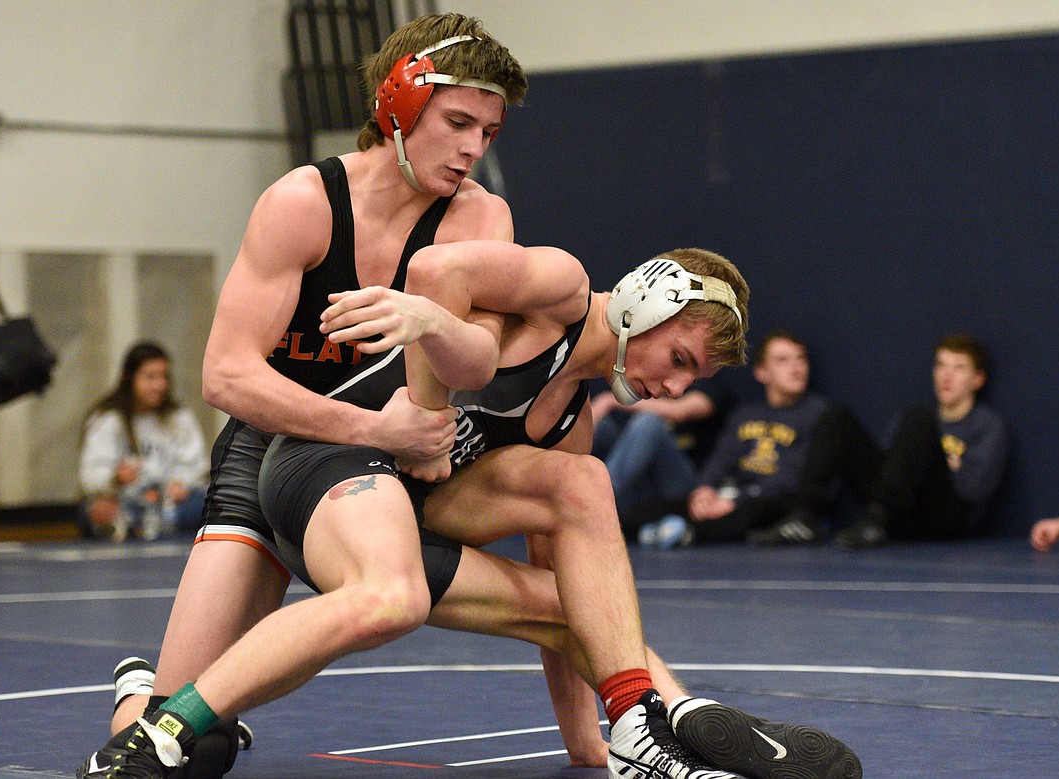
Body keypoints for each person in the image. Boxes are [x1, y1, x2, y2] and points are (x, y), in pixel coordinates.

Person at [77, 16, 858, 779]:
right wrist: (397, 420)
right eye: (456, 122)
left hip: (399, 467)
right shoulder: (305, 203)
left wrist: (582, 740)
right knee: (187, 735)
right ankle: (147, 694)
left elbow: (482, 373)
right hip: (284, 442)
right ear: (399, 107)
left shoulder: (484, 218)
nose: (473, 148)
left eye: (489, 132)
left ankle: (658, 724)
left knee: (553, 549)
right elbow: (225, 377)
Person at [633, 330, 879, 547]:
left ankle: (685, 534)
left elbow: (795, 477)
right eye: (783, 360)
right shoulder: (745, 414)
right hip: (734, 494)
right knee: (661, 507)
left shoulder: (819, 414)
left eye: (801, 359)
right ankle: (631, 528)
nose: (796, 367)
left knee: (754, 510)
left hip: (774, 501)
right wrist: (704, 490)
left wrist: (737, 501)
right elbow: (722, 457)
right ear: (762, 372)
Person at [835, 333, 1009, 549]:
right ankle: (806, 517)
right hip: (902, 515)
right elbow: (890, 475)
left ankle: (880, 519)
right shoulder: (908, 421)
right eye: (941, 366)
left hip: (946, 522)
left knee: (920, 419)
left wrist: (934, 468)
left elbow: (973, 491)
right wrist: (949, 464)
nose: (947, 376)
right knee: (837, 417)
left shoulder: (987, 425)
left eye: (958, 368)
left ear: (978, 379)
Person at [79, 342, 208, 541]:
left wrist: (180, 484)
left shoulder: (180, 418)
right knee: (97, 511)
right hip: (127, 502)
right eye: (150, 377)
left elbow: (197, 466)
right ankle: (138, 526)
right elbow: (90, 476)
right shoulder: (106, 420)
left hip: (171, 504)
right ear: (129, 377)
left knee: (207, 503)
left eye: (163, 376)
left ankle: (138, 528)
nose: (159, 385)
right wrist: (115, 479)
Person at [590, 375, 734, 547]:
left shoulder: (709, 386)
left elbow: (682, 411)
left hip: (682, 487)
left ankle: (592, 506)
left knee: (649, 424)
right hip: (639, 488)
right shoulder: (648, 382)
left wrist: (610, 400)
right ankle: (565, 491)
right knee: (603, 425)